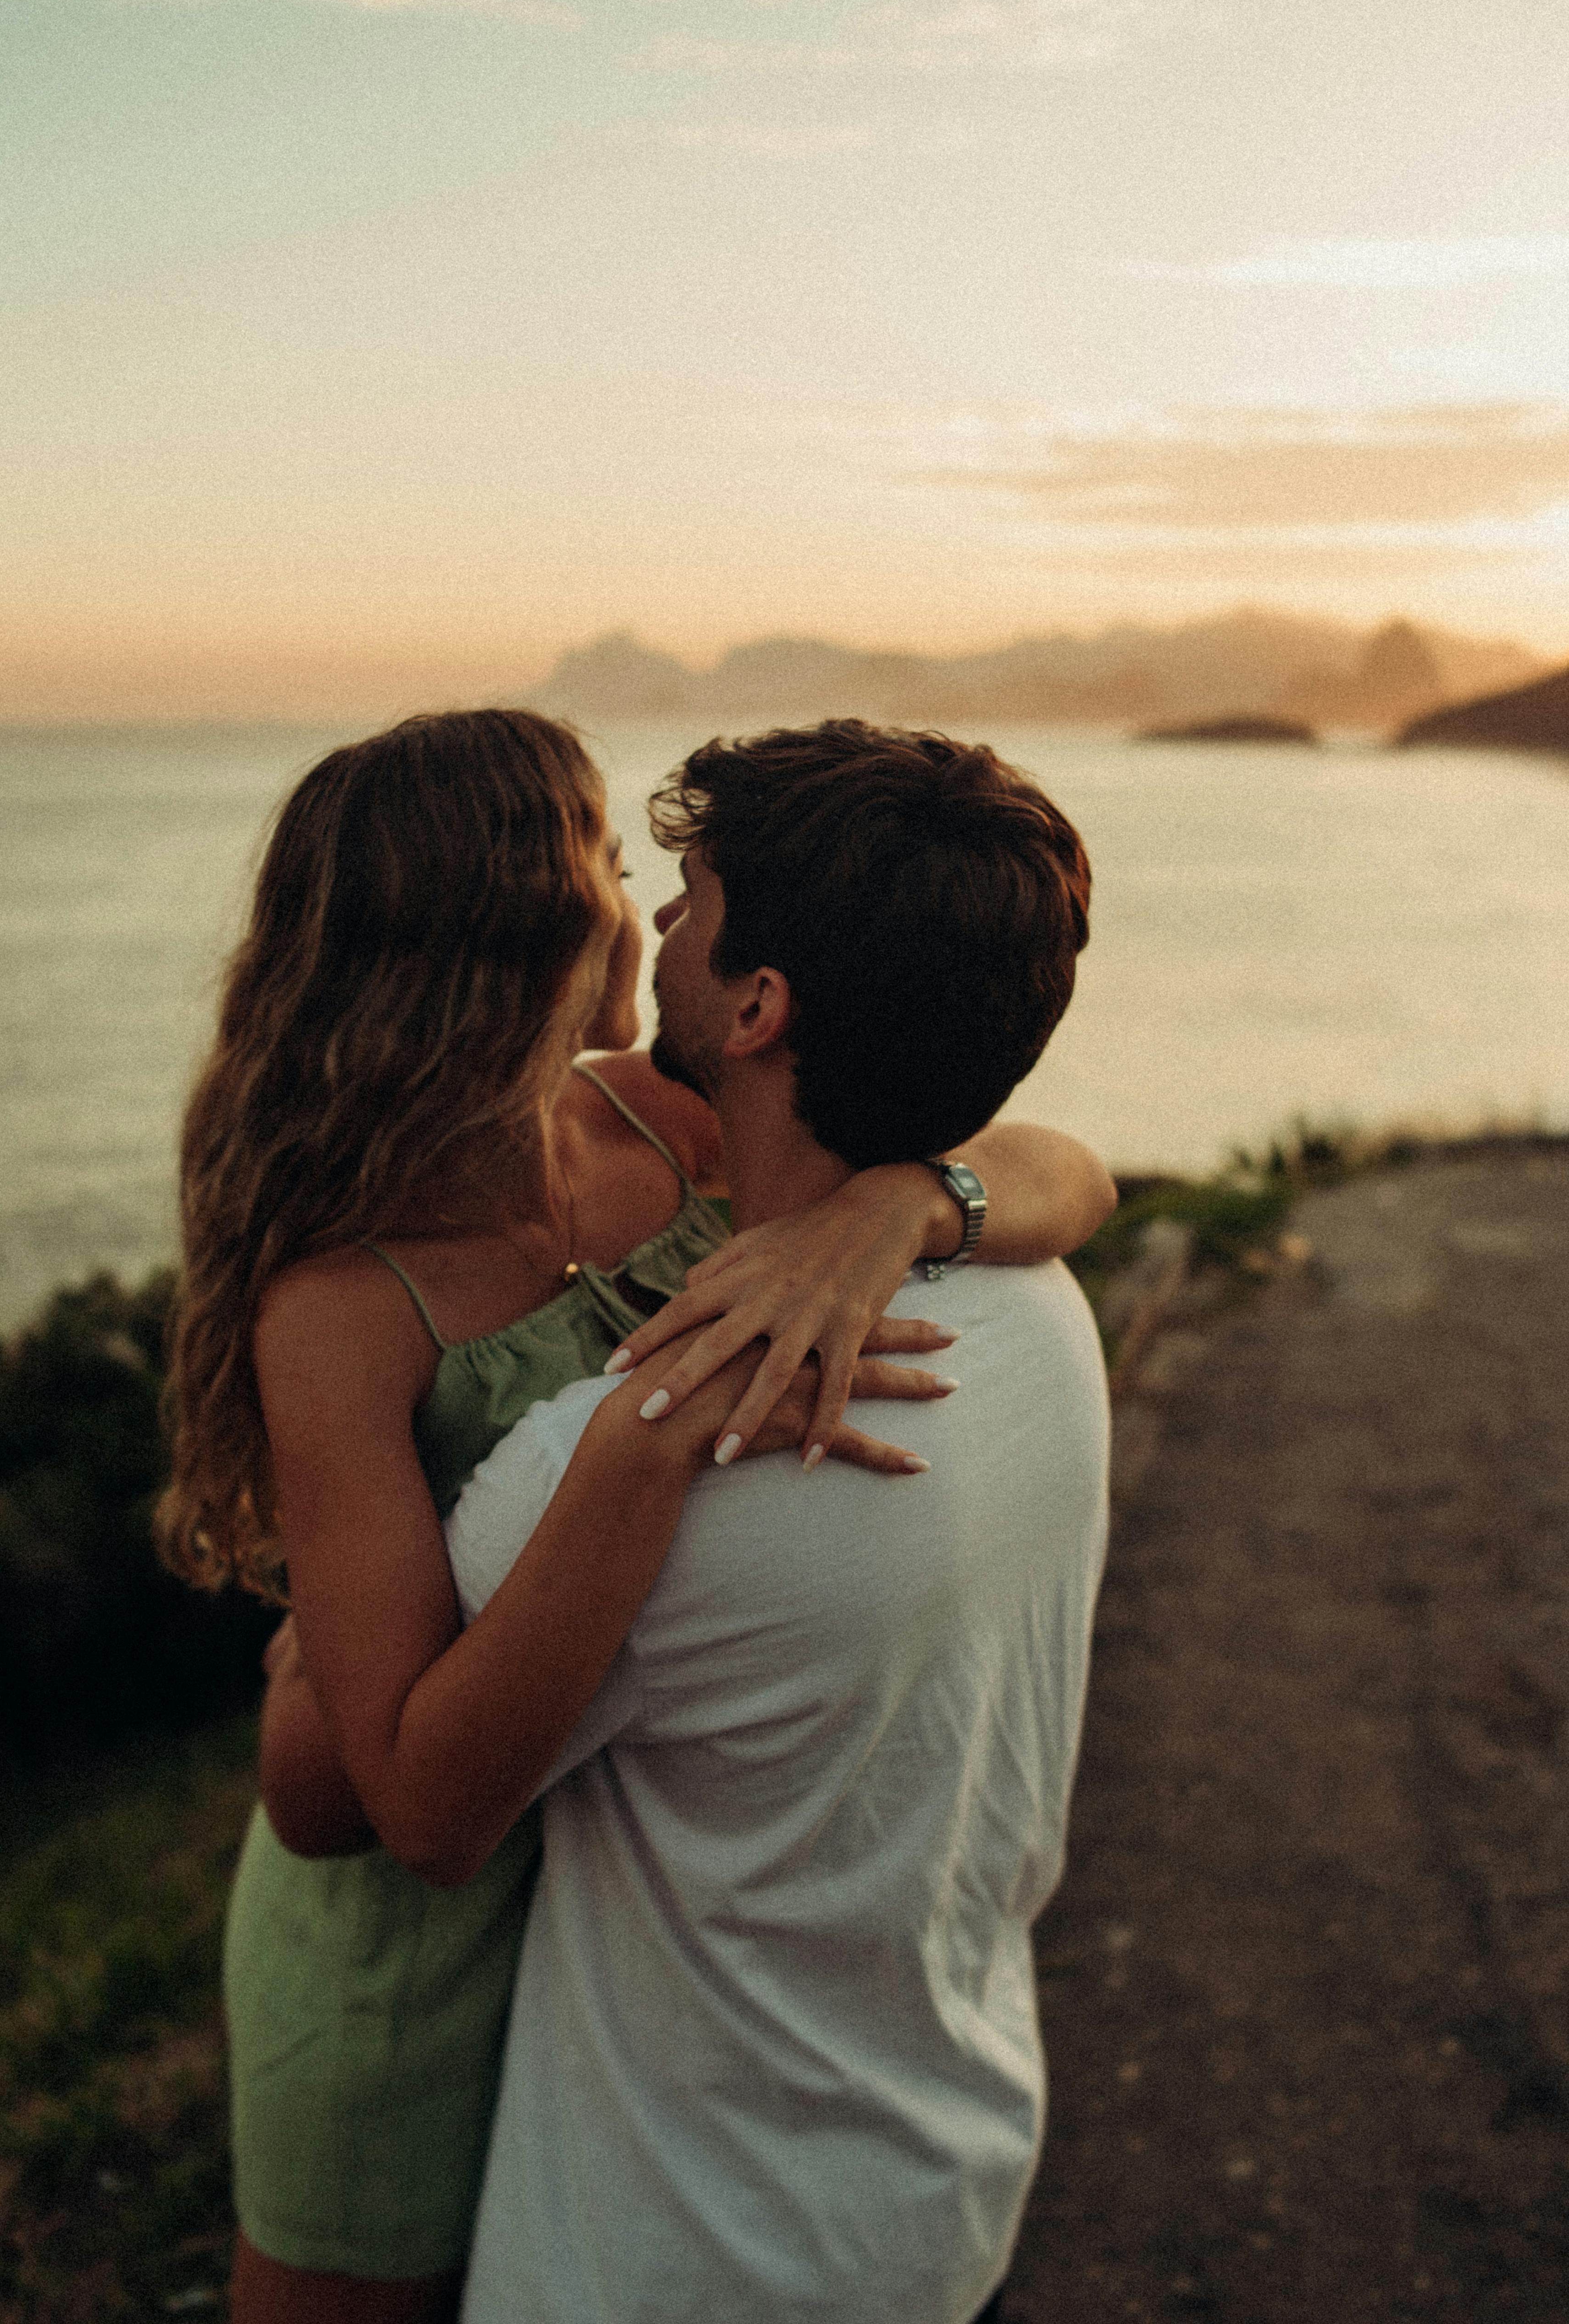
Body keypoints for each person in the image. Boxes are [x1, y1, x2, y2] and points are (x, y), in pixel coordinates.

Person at [154, 708, 1115, 2324]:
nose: (643, 906)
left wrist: (902, 1204)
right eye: (608, 867)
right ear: (520, 937)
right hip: (408, 1950)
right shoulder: (342, 1302)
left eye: (660, 878)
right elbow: (347, 1794)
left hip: (607, 1899)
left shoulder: (667, 1127)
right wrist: (635, 1444)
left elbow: (1067, 1173)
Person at [440, 720, 1112, 2321]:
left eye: (692, 899)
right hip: (937, 2204)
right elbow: (1064, 1176)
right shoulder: (1044, 1310)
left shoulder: (615, 1468)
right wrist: (915, 1198)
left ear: (758, 1007)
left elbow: (404, 1802)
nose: (656, 927)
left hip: (676, 2263)